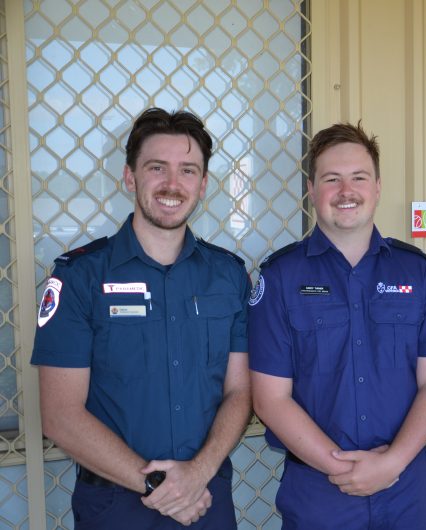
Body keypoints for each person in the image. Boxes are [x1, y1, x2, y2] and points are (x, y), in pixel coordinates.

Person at [32, 108, 252, 529]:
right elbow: (60, 414)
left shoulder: (228, 276)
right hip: (116, 507)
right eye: (157, 168)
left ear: (203, 185)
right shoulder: (80, 277)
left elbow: (240, 391)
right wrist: (160, 488)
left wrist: (197, 475)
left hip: (205, 501)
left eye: (188, 170)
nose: (173, 184)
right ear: (130, 177)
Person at [248, 121, 426, 529]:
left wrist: (392, 463)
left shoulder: (416, 271)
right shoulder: (279, 278)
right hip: (318, 489)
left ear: (378, 187)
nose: (346, 191)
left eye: (358, 178)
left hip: (405, 486)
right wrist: (346, 469)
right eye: (332, 179)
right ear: (312, 191)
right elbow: (269, 399)